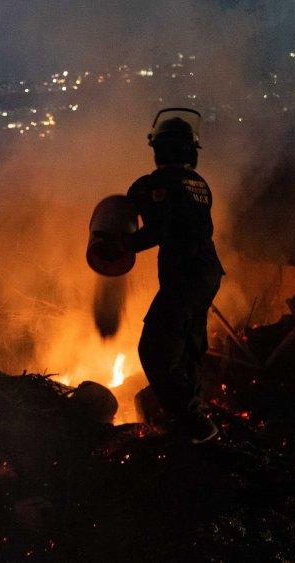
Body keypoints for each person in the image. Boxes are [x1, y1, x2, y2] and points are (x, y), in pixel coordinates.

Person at [100, 108, 225, 443]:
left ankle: (194, 422)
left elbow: (159, 229)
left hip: (185, 276)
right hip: (206, 272)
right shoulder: (199, 184)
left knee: (154, 349)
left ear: (158, 149)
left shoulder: (155, 186)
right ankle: (196, 421)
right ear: (189, 151)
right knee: (188, 346)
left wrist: (123, 244)